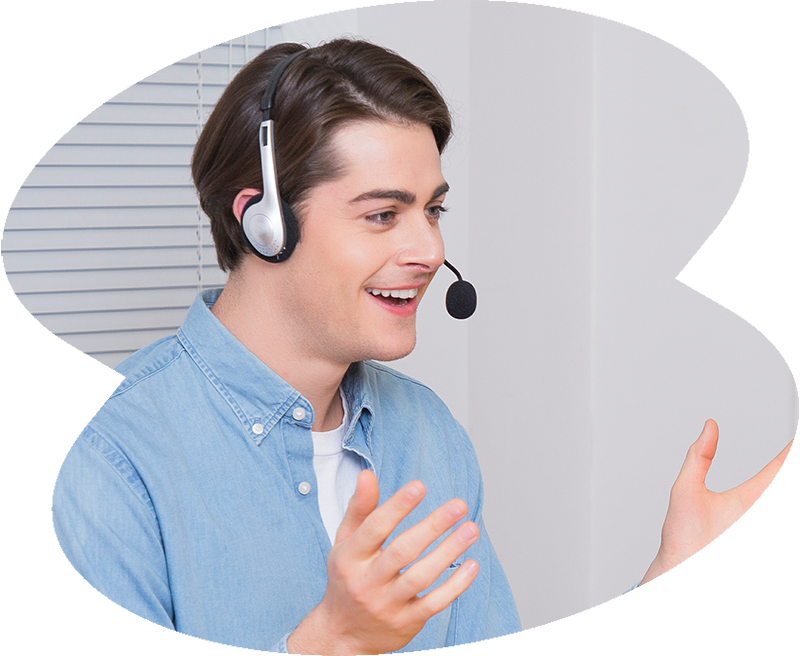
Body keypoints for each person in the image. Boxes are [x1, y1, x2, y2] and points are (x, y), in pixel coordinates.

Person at [39, 38, 800, 656]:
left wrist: (672, 590)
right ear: (262, 224)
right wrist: (333, 643)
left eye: (432, 211)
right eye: (383, 215)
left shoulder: (426, 434)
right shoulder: (97, 461)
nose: (429, 251)